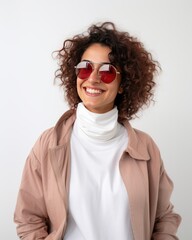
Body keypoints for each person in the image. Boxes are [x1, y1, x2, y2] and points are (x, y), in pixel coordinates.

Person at [14, 22, 181, 240]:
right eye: (85, 68)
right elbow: (29, 218)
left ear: (123, 83)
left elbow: (164, 217)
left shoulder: (145, 148)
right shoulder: (48, 144)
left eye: (108, 71)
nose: (93, 78)